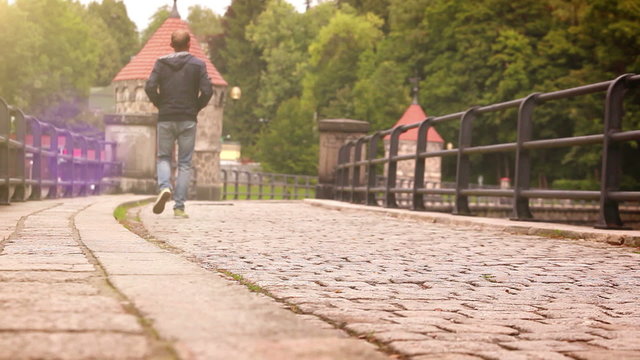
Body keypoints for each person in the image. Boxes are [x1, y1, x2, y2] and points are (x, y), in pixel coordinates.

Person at [145, 29, 213, 218]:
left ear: (172, 45)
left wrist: (160, 104)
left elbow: (149, 86)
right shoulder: (198, 65)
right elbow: (207, 91)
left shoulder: (160, 63)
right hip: (187, 119)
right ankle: (179, 207)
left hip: (166, 117)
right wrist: (195, 108)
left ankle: (165, 187)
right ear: (189, 44)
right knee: (184, 163)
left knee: (164, 157)